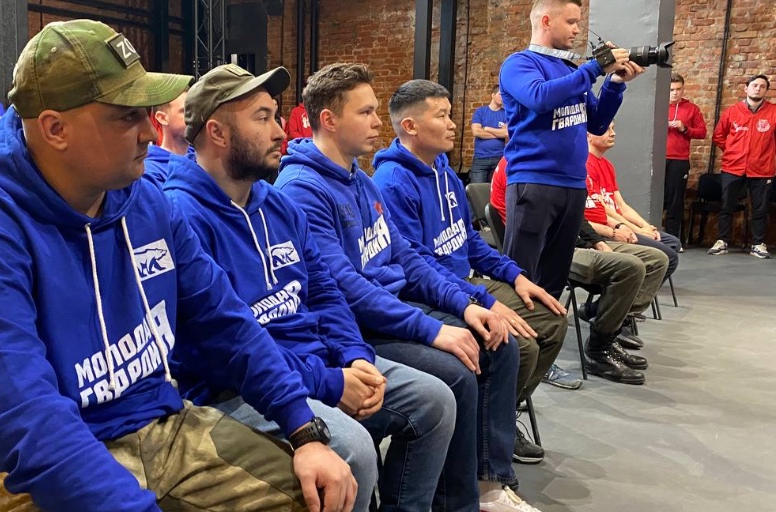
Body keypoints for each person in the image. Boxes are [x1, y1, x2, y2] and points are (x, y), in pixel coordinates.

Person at [0, 20, 355, 512]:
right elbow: (22, 419)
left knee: (317, 496)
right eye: (127, 116)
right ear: (55, 129)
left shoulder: (147, 201)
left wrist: (302, 427)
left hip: (153, 419)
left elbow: (224, 320)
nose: (151, 131)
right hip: (10, 461)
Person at [165, 63, 456, 512]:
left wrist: (355, 357)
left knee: (435, 401)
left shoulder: (276, 204)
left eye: (277, 116)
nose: (280, 131)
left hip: (320, 361)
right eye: (263, 118)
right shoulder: (181, 215)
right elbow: (223, 348)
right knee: (354, 450)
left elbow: (325, 292)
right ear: (218, 133)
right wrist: (330, 382)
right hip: (238, 388)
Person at [278, 62, 540, 512]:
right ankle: (455, 502)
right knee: (458, 372)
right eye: (365, 112)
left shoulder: (359, 179)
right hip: (359, 326)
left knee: (496, 343)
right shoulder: (303, 189)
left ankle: (483, 487)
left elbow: (407, 257)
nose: (378, 123)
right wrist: (433, 329)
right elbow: (346, 289)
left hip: (393, 307)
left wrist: (466, 303)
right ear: (329, 120)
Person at [374, 79, 568, 465]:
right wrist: (482, 300)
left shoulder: (445, 170)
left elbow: (470, 240)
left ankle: (497, 419)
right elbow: (417, 266)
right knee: (518, 345)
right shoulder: (392, 182)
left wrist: (515, 276)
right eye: (442, 116)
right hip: (432, 291)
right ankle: (485, 441)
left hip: (465, 282)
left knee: (551, 319)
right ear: (410, 126)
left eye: (450, 115)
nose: (453, 124)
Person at [497, 0, 644, 298]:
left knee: (554, 278)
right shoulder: (520, 64)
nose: (577, 29)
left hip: (573, 185)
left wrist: (615, 83)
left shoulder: (569, 70)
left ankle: (547, 327)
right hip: (534, 181)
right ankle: (516, 330)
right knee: (521, 277)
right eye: (571, 22)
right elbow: (539, 97)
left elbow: (597, 124)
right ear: (546, 21)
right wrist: (594, 68)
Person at [491, 160, 664, 385]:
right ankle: (598, 347)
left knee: (657, 259)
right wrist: (601, 237)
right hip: (554, 249)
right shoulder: (527, 166)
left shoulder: (560, 168)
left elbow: (574, 215)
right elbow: (542, 228)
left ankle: (604, 323)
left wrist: (597, 241)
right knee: (630, 268)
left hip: (576, 241)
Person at [584, 123, 680, 279]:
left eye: (614, 128)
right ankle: (633, 289)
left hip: (620, 224)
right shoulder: (586, 165)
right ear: (588, 135)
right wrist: (636, 230)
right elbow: (604, 211)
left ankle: (641, 285)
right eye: (607, 129)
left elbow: (622, 206)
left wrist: (645, 226)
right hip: (608, 228)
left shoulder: (607, 165)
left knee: (672, 242)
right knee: (669, 256)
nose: (613, 133)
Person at [709, 74, 776, 259]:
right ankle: (722, 241)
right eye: (754, 85)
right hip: (733, 167)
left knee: (760, 209)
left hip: (762, 170)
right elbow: (718, 136)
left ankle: (758, 244)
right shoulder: (732, 111)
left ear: (766, 91)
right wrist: (732, 151)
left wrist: (767, 155)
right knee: (726, 206)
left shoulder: (773, 112)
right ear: (746, 88)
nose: (758, 89)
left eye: (762, 86)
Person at [665, 73, 706, 244]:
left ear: (683, 89)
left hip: (679, 159)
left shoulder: (692, 109)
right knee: (658, 198)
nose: (675, 93)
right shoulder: (658, 106)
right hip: (658, 158)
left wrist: (684, 128)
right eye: (671, 90)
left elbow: (702, 132)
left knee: (675, 200)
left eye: (678, 89)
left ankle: (673, 239)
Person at [143, 87, 189, 185]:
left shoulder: (202, 158)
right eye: (186, 111)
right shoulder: (151, 172)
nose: (194, 116)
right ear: (162, 118)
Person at [468, 85, 508, 184]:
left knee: (496, 189)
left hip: (499, 158)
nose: (502, 97)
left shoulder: (506, 114)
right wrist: (499, 133)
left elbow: (507, 133)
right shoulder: (480, 112)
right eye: (500, 94)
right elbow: (476, 132)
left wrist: (487, 128)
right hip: (480, 158)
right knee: (477, 190)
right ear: (493, 95)